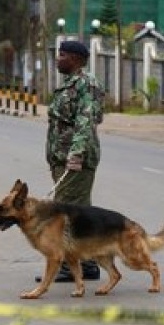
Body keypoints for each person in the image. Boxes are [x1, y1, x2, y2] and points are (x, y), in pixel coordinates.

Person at [38, 40, 105, 283]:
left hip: (76, 161)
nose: (58, 59)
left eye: (62, 55)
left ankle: (71, 265)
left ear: (76, 59)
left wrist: (75, 153)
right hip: (62, 159)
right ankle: (86, 265)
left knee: (69, 213)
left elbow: (85, 121)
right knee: (77, 212)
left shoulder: (86, 85)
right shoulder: (69, 85)